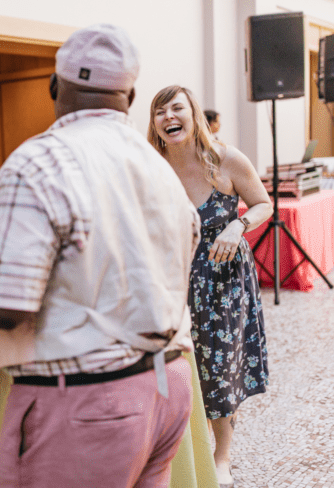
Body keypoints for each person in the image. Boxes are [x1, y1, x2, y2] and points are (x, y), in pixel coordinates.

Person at [0, 24, 200, 487]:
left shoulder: (39, 162)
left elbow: (6, 307)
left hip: (91, 404)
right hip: (168, 386)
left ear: (54, 86)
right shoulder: (157, 167)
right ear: (130, 96)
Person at [149, 85, 271, 488]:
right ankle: (185, 450)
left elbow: (263, 204)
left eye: (177, 108)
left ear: (193, 113)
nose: (169, 117)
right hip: (174, 280)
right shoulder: (153, 167)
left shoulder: (226, 159)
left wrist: (238, 225)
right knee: (182, 368)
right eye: (160, 111)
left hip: (224, 283)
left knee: (220, 368)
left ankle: (221, 456)